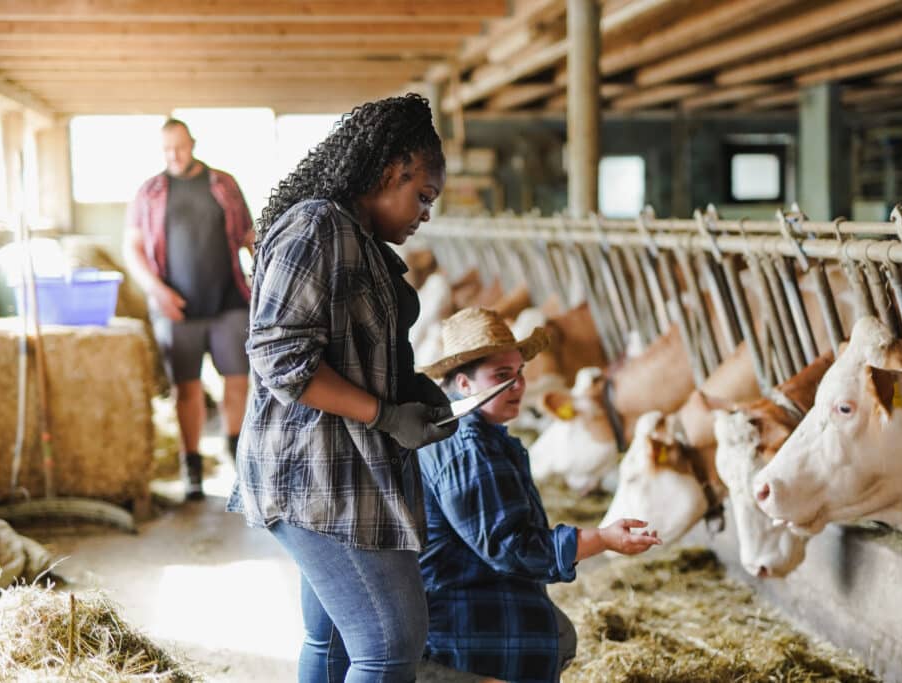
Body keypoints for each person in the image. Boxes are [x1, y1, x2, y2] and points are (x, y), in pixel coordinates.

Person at [228, 93, 458, 683]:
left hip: (339, 470)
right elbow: (279, 353)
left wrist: (413, 390)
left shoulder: (356, 236)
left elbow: (349, 349)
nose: (426, 213)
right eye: (423, 196)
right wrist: (384, 415)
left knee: (331, 641)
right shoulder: (319, 225)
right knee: (391, 642)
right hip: (314, 473)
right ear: (391, 171)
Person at [417, 307, 662, 683]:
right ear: (464, 384)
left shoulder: (465, 429)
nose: (517, 386)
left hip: (458, 597)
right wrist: (603, 539)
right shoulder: (469, 446)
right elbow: (511, 548)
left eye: (519, 374)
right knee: (548, 636)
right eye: (501, 376)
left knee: (558, 631)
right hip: (457, 620)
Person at [124, 118, 254, 501]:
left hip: (229, 300)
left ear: (193, 143)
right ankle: (191, 466)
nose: (174, 156)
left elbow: (248, 234)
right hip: (177, 306)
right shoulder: (149, 192)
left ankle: (237, 457)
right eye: (167, 149)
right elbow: (131, 248)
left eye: (179, 147)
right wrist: (157, 291)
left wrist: (267, 266)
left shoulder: (223, 184)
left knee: (237, 379)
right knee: (187, 388)